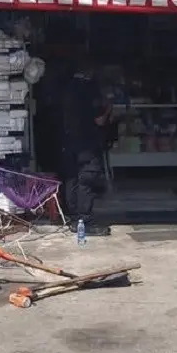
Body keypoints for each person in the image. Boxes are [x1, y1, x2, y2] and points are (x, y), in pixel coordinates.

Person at [59, 58, 114, 236]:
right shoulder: (90, 90)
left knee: (72, 179)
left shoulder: (66, 88)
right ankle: (84, 220)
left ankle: (74, 217)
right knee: (87, 179)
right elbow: (99, 120)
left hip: (68, 142)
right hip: (86, 142)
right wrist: (108, 109)